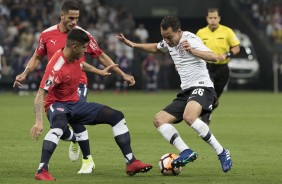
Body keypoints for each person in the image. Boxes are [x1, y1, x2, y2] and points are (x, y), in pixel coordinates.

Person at [13, 0, 135, 174]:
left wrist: (122, 74)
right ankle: (73, 139)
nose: (74, 22)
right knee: (60, 125)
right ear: (61, 16)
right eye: (70, 18)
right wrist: (25, 74)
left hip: (78, 82)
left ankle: (87, 160)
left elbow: (100, 56)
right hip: (56, 85)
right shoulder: (46, 35)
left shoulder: (82, 35)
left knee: (76, 115)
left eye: (76, 18)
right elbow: (37, 57)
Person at [31, 29, 152, 181]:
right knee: (59, 127)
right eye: (83, 48)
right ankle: (42, 170)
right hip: (57, 104)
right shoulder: (56, 67)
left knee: (117, 116)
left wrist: (99, 72)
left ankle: (131, 162)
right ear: (75, 47)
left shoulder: (74, 56)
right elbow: (40, 95)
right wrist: (39, 122)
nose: (85, 51)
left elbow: (81, 65)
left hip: (75, 103)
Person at [117, 16, 232, 173]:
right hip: (186, 91)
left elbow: (213, 56)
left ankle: (222, 152)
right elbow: (157, 48)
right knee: (159, 119)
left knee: (189, 117)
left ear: (179, 31)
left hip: (202, 87)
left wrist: (192, 50)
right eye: (164, 36)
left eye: (169, 37)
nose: (167, 40)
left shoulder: (190, 39)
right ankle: (185, 151)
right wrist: (134, 44)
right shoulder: (169, 41)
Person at [196, 8, 240, 125]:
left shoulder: (227, 31)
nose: (213, 20)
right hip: (207, 68)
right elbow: (195, 49)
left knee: (216, 97)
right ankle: (205, 119)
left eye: (215, 18)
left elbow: (236, 48)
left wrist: (226, 54)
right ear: (207, 19)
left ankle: (211, 107)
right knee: (209, 94)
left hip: (222, 68)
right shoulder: (201, 33)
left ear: (219, 18)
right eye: (210, 18)